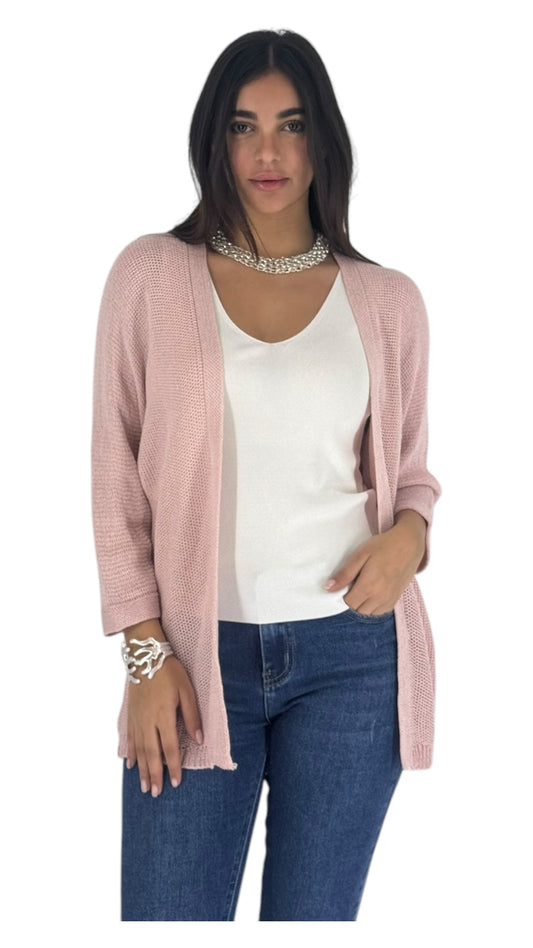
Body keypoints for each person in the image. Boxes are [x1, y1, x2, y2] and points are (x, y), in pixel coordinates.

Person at [91, 28, 442, 922]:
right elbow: (113, 474)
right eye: (243, 126)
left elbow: (409, 475)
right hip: (193, 658)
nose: (268, 152)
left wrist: (411, 535)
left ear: (323, 139)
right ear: (215, 139)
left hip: (352, 662)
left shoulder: (388, 300)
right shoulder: (151, 275)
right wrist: (145, 653)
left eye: (291, 125)